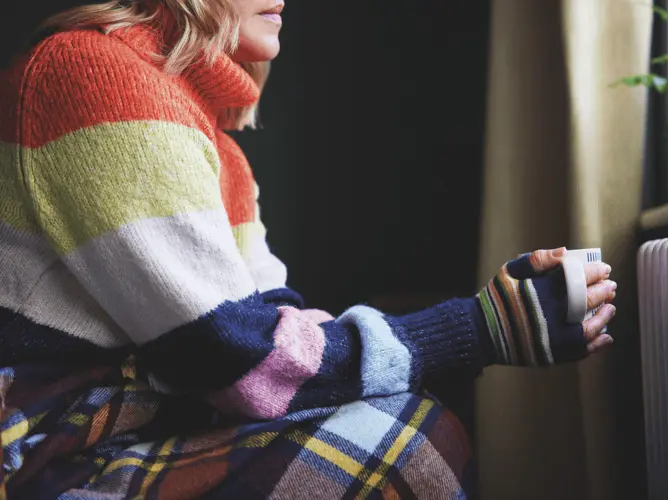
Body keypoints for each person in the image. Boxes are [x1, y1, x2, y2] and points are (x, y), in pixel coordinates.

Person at [0, 0, 617, 498]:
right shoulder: (91, 72)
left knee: (409, 424)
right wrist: (477, 330)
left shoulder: (215, 147)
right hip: (42, 460)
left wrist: (488, 326)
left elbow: (277, 333)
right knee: (404, 445)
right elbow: (238, 360)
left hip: (124, 442)